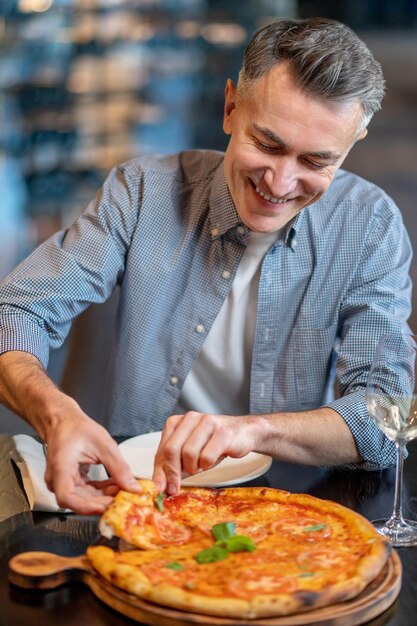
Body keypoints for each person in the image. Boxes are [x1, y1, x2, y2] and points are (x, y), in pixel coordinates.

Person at [0, 18, 412, 514]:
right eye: (267, 144)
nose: (280, 184)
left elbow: (384, 416)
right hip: (142, 495)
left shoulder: (370, 225)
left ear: (355, 140)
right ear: (230, 107)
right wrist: (56, 414)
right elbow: (16, 312)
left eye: (316, 162)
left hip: (299, 509)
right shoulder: (141, 192)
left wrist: (252, 430)